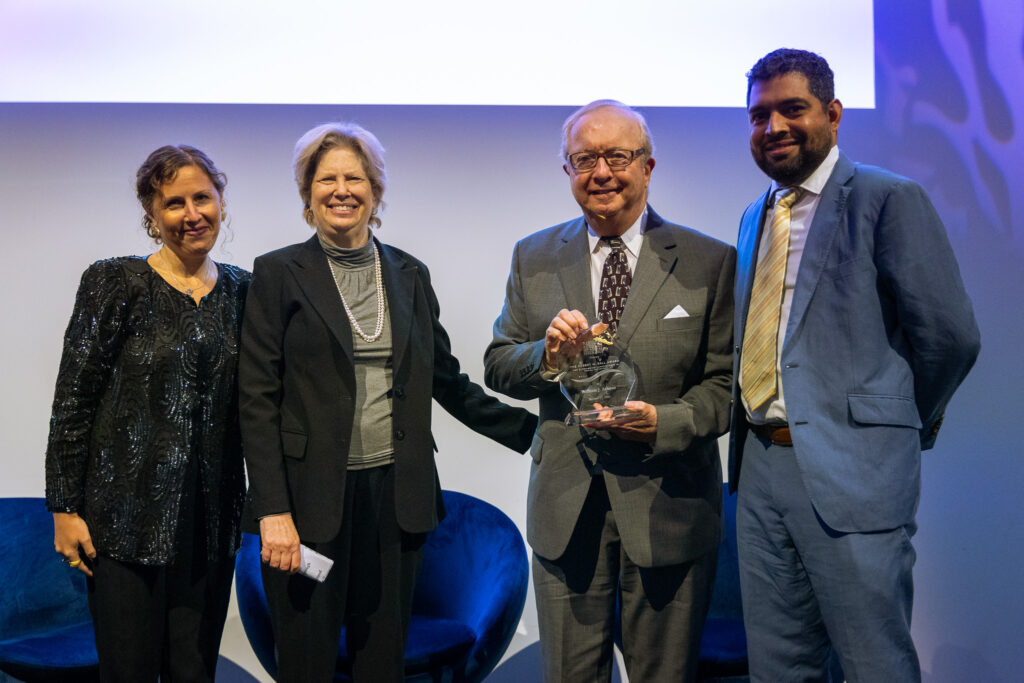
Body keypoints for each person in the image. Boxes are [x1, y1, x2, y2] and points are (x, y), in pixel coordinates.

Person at [239, 121, 537, 682]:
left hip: (396, 500)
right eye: (326, 178)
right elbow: (256, 399)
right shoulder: (278, 273)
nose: (341, 189)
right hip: (308, 506)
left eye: (355, 177)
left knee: (382, 661)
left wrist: (532, 433)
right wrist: (272, 510)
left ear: (375, 191)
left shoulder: (409, 273)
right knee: (306, 659)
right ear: (308, 192)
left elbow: (444, 379)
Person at [730, 48, 981, 682]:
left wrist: (895, 423)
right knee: (779, 667)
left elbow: (950, 337)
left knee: (875, 664)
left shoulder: (888, 198)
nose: (774, 127)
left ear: (833, 114)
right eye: (760, 115)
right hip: (760, 468)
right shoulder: (753, 216)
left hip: (857, 473)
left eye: (793, 109)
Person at [484, 100, 736, 682]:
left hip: (668, 504)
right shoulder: (535, 255)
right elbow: (499, 365)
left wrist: (665, 422)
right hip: (566, 508)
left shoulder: (710, 260)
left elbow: (726, 386)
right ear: (567, 170)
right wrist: (546, 357)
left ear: (648, 166)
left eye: (617, 156)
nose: (602, 172)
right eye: (584, 158)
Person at [45, 145, 250, 682]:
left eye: (202, 197)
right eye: (174, 203)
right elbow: (73, 400)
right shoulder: (115, 281)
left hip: (208, 526)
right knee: (129, 671)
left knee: (193, 671)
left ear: (222, 203)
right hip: (121, 524)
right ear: (152, 215)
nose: (192, 214)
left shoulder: (244, 289)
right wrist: (63, 508)